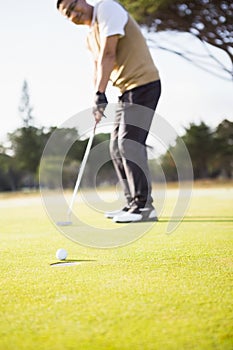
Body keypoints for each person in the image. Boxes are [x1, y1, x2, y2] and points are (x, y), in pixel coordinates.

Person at [57, 0, 161, 223]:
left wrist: (102, 93)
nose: (75, 13)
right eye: (68, 14)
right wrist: (97, 97)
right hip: (126, 91)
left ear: (83, 1)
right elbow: (97, 66)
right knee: (115, 147)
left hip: (144, 84)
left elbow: (109, 55)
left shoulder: (107, 8)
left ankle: (145, 207)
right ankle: (132, 203)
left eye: (74, 5)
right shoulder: (89, 37)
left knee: (129, 144)